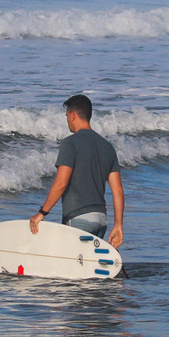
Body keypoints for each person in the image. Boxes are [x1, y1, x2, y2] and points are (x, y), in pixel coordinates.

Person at [29, 95, 124, 248]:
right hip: (101, 220)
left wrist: (42, 213)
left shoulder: (70, 143)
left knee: (70, 267)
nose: (67, 120)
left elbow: (61, 183)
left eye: (67, 116)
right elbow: (118, 191)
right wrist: (118, 225)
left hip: (79, 220)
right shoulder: (107, 147)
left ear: (73, 115)